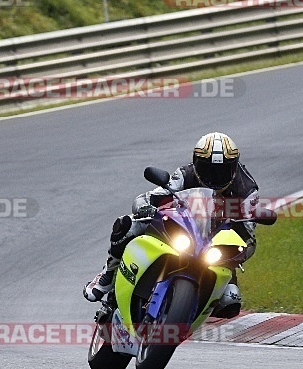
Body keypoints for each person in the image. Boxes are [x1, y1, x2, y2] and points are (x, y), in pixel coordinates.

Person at [83, 131, 260, 318]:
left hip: (216, 240)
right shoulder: (185, 174)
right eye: (208, 169)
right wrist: (146, 208)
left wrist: (234, 250)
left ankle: (197, 304)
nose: (214, 177)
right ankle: (108, 275)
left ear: (234, 167)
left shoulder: (247, 189)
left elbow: (248, 235)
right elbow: (147, 198)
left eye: (222, 171)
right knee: (126, 225)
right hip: (182, 228)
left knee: (230, 303)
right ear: (196, 162)